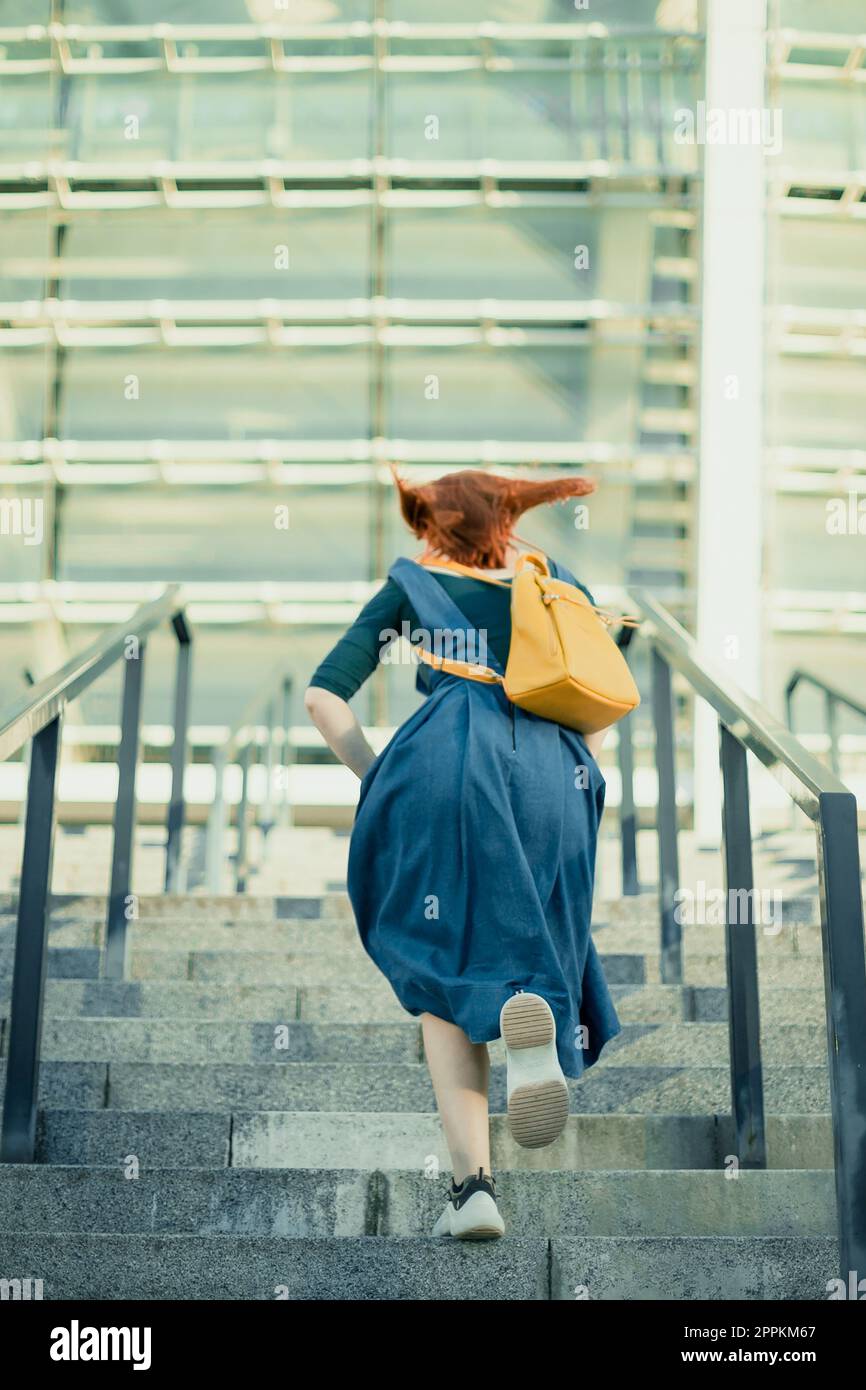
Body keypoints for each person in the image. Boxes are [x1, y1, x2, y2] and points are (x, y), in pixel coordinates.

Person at [305, 467, 621, 1240]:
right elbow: (601, 711)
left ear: (431, 527)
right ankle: (538, 1014)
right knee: (537, 923)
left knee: (439, 966)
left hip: (444, 763)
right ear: (507, 522)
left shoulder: (411, 585)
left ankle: (472, 1188)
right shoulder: (553, 582)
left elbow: (324, 694)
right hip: (557, 772)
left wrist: (386, 780)